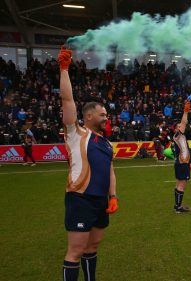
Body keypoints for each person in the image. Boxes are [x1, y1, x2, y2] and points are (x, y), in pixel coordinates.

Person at [59, 46, 118, 281]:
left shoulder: (106, 143)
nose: (106, 118)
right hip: (80, 198)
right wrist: (64, 69)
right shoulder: (76, 133)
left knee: (93, 248)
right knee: (75, 251)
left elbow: (110, 171)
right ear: (90, 116)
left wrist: (113, 196)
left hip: (100, 200)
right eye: (103, 115)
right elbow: (67, 99)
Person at [172, 101, 191, 213]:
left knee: (178, 184)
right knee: (182, 185)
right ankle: (179, 208)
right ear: (177, 128)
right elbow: (184, 122)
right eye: (179, 125)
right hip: (181, 163)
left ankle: (177, 205)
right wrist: (185, 111)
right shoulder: (178, 135)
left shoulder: (180, 136)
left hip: (181, 163)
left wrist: (190, 161)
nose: (182, 125)